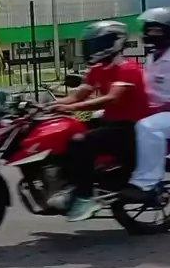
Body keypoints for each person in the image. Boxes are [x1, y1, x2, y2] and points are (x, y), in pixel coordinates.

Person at [50, 20, 149, 221]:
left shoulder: (128, 68)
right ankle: (71, 184)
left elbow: (112, 98)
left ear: (114, 43)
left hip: (131, 128)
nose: (91, 48)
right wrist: (50, 105)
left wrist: (72, 108)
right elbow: (77, 95)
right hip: (110, 123)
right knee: (66, 132)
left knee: (81, 141)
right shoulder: (96, 69)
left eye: (96, 43)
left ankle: (84, 197)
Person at [122, 8, 170, 201]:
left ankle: (146, 183)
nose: (150, 34)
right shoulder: (152, 57)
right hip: (156, 111)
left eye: (156, 30)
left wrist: (160, 108)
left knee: (149, 127)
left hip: (166, 112)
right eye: (148, 30)